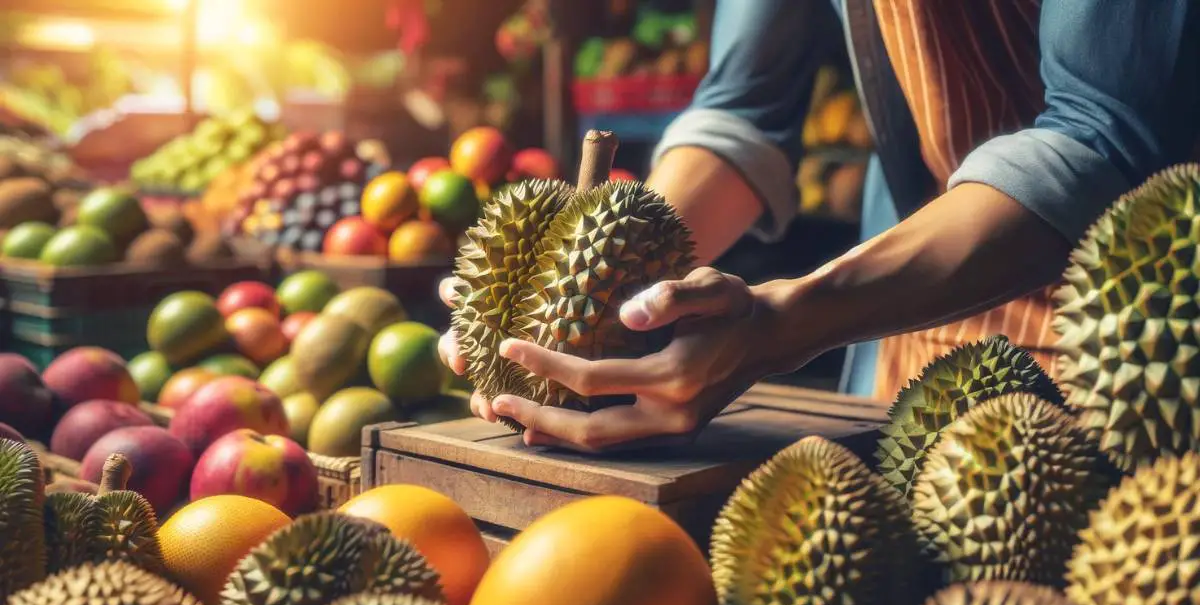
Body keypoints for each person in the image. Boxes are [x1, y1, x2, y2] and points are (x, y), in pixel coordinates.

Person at [438, 0, 1199, 452]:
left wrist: (784, 317)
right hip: (907, 328)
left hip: (1142, 344)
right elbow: (744, 107)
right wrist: (607, 289)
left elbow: (1100, 133)